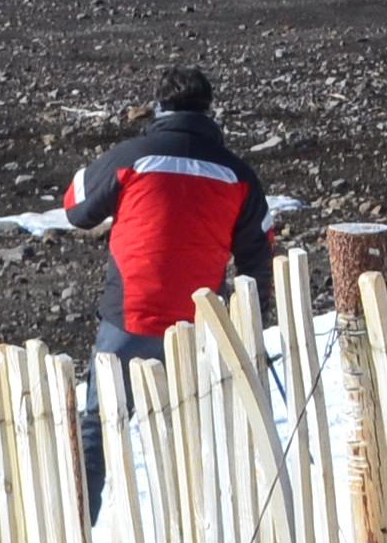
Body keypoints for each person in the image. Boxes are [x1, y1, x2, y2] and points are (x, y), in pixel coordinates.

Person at [62, 65, 271, 504]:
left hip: (128, 314)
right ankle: (193, 538)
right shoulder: (237, 174)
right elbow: (258, 254)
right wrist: (253, 321)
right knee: (188, 430)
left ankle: (80, 535)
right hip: (195, 324)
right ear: (209, 110)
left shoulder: (133, 156)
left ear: (159, 105)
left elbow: (77, 207)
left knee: (100, 427)